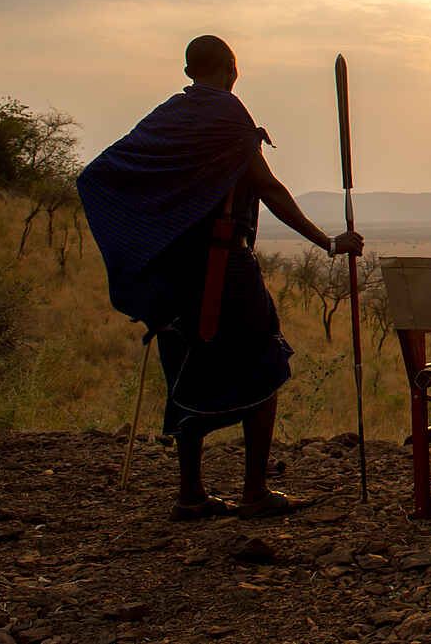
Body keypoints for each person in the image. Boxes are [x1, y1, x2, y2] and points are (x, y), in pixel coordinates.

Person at [78, 35, 363, 520]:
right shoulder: (228, 114)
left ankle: (190, 494)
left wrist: (146, 245)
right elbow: (267, 186)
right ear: (232, 68)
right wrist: (329, 243)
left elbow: (97, 176)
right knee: (264, 366)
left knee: (187, 369)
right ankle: (254, 493)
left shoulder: (168, 117)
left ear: (190, 71)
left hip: (171, 275)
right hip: (224, 269)